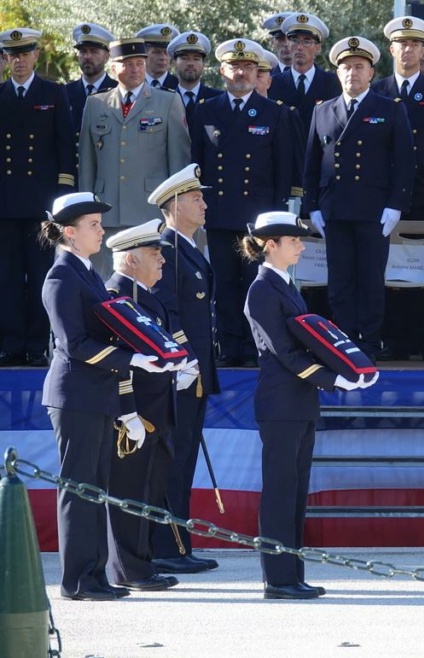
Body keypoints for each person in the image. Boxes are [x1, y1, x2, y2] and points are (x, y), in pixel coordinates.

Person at [40, 192, 173, 600]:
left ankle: (96, 576)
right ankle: (76, 581)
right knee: (78, 490)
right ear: (70, 232)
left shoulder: (87, 274)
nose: (101, 231)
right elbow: (74, 343)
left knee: (95, 488)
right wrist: (133, 359)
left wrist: (147, 351)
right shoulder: (61, 276)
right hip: (74, 394)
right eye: (94, 225)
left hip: (96, 393)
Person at [241, 211, 373, 599]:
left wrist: (345, 369)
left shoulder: (285, 286)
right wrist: (335, 379)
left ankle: (291, 575)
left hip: (299, 401)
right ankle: (278, 579)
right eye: (294, 240)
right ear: (271, 245)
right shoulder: (263, 289)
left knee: (296, 492)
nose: (301, 245)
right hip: (281, 403)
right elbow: (285, 353)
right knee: (281, 492)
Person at [303, 36, 414, 362]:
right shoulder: (323, 111)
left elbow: (405, 162)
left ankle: (369, 340)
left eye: (359, 67)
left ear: (371, 73)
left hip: (373, 210)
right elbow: (310, 163)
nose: (352, 73)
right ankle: (344, 338)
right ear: (338, 74)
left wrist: (396, 205)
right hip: (335, 210)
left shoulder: (389, 109)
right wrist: (313, 207)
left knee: (370, 279)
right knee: (339, 280)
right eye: (346, 67)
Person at [190, 38, 298, 368]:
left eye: (248, 67)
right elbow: (197, 165)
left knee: (257, 284)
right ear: (222, 71)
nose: (241, 73)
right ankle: (230, 345)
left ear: (258, 72)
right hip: (220, 212)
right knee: (223, 284)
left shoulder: (274, 112)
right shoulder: (206, 110)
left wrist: (280, 211)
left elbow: (284, 166)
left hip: (259, 216)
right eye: (235, 67)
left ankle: (257, 345)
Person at [148, 165, 221, 574]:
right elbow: (164, 309)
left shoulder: (188, 247)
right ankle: (166, 547)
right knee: (173, 459)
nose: (204, 205)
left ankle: (179, 544)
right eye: (196, 199)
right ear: (174, 204)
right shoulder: (166, 249)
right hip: (180, 372)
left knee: (185, 458)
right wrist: (184, 357)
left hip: (195, 373)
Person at [374, 16, 424, 363]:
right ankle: (393, 338)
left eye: (414, 45)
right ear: (391, 49)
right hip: (386, 193)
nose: (407, 50)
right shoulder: (377, 91)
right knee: (390, 267)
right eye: (401, 44)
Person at [104, 219, 181, 592]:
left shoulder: (146, 297)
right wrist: (128, 411)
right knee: (130, 491)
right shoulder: (116, 296)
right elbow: (119, 359)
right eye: (154, 254)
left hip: (159, 408)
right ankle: (128, 569)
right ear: (131, 260)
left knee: (150, 488)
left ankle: (142, 563)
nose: (162, 261)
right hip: (136, 413)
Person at [78, 37, 191, 277]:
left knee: (152, 279)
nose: (135, 69)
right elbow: (87, 163)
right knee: (108, 280)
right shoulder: (96, 104)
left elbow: (178, 163)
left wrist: (175, 212)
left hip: (150, 211)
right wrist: (87, 210)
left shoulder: (168, 101)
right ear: (113, 68)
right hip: (107, 212)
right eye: (128, 64)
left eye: (140, 63)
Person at [0, 28, 76, 368]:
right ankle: (10, 343)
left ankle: (36, 345)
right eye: (11, 54)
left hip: (40, 203)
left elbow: (64, 149)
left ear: (35, 55)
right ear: (5, 59)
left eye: (24, 53)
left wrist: (61, 200)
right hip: (4, 202)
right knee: (7, 276)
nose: (18, 60)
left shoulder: (53, 94)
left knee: (41, 273)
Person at [268, 13, 341, 136]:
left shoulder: (333, 83)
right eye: (294, 40)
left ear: (318, 47)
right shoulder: (272, 83)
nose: (300, 47)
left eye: (307, 41)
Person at [65, 23, 117, 138]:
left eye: (94, 51)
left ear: (107, 57)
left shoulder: (118, 91)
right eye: (83, 51)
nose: (87, 56)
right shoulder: (64, 93)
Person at [167, 31, 222, 121]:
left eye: (196, 59)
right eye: (184, 58)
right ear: (174, 63)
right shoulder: (165, 100)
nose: (190, 63)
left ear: (203, 65)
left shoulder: (218, 99)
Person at [136, 24, 180, 91]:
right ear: (144, 54)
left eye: (166, 53)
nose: (163, 57)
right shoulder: (133, 84)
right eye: (157, 52)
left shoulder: (180, 87)